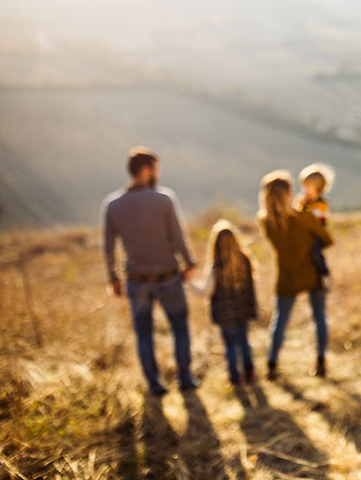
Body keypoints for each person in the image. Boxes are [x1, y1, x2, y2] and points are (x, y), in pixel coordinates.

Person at [102, 146, 199, 396]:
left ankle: (154, 384)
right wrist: (190, 263)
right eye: (155, 169)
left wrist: (113, 278)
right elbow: (178, 238)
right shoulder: (163, 199)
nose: (157, 175)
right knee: (180, 328)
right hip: (167, 276)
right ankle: (185, 379)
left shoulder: (113, 205)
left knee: (143, 334)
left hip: (136, 279)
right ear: (146, 170)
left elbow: (108, 246)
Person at [258, 170, 333, 379]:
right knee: (319, 318)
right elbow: (327, 240)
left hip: (286, 276)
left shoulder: (265, 221)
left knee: (279, 321)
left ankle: (271, 364)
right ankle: (321, 363)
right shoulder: (305, 218)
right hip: (312, 273)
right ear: (288, 194)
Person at [190, 219, 258, 386]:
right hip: (243, 311)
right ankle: (249, 374)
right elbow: (251, 287)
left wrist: (188, 283)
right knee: (243, 342)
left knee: (230, 346)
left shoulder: (216, 267)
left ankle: (234, 378)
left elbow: (205, 291)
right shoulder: (245, 261)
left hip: (224, 315)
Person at [297, 163, 335, 291]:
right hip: (306, 235)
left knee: (315, 252)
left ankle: (324, 274)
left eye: (308, 187)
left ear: (318, 188)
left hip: (317, 235)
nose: (305, 190)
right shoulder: (305, 202)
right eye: (304, 187)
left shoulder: (321, 204)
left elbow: (315, 220)